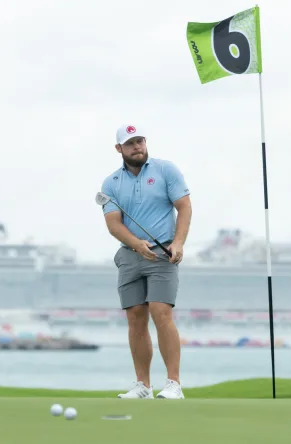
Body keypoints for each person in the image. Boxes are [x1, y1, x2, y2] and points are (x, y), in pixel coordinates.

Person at [99, 124, 192, 399]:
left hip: (162, 255)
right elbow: (113, 224)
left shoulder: (166, 170)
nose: (137, 146)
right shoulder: (111, 183)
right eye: (130, 143)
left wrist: (178, 243)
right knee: (135, 318)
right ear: (119, 149)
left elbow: (184, 206)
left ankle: (173, 384)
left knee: (161, 312)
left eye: (140, 141)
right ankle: (143, 386)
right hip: (130, 256)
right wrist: (136, 244)